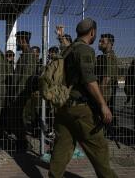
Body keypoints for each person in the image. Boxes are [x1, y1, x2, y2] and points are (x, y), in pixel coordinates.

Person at [48, 18, 117, 178]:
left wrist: (61, 36)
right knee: (98, 149)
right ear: (92, 32)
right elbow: (89, 81)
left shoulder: (69, 49)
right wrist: (103, 105)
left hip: (63, 106)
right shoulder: (85, 50)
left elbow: (65, 48)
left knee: (62, 148)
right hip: (79, 109)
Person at [12, 31, 37, 151]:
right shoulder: (25, 55)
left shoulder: (29, 55)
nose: (17, 43)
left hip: (23, 94)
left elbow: (25, 78)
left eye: (18, 40)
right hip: (20, 94)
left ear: (22, 40)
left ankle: (25, 144)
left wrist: (17, 95)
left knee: (23, 120)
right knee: (19, 119)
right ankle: (22, 143)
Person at [96, 34, 118, 126]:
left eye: (102, 42)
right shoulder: (104, 56)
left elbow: (107, 78)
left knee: (104, 114)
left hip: (106, 91)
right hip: (106, 91)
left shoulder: (108, 57)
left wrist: (98, 94)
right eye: (100, 41)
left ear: (110, 44)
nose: (100, 43)